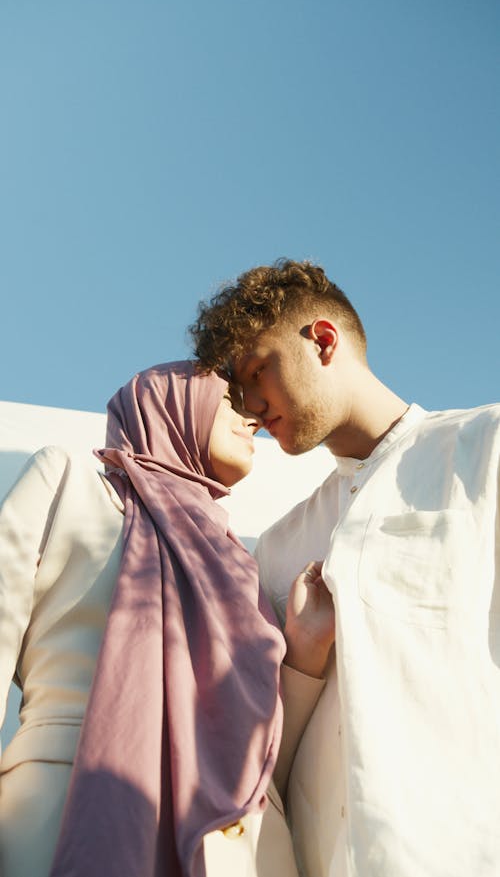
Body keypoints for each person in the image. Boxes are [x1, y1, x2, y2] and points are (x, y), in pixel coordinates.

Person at [190, 259, 500, 877]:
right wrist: (300, 662)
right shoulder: (275, 549)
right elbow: (256, 755)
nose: (250, 407)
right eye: (237, 393)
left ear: (323, 341)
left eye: (256, 373)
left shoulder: (483, 450)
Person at [0, 360, 303, 877]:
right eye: (232, 399)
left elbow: (266, 733)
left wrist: (310, 658)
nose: (253, 417)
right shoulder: (70, 483)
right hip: (72, 800)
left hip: (242, 844)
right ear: (171, 401)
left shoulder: (240, 561)